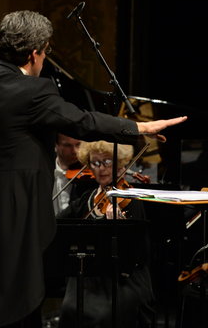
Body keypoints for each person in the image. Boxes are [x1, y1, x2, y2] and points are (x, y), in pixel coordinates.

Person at [0, 10, 187, 327]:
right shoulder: (35, 90)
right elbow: (83, 121)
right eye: (45, 52)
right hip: (14, 207)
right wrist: (140, 128)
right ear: (34, 53)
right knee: (13, 292)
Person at [57, 140, 155, 327]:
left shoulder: (131, 200)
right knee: (70, 308)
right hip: (87, 276)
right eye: (95, 163)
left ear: (120, 165)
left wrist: (119, 229)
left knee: (103, 315)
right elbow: (58, 223)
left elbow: (138, 252)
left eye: (107, 162)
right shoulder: (88, 197)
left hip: (121, 279)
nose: (101, 169)